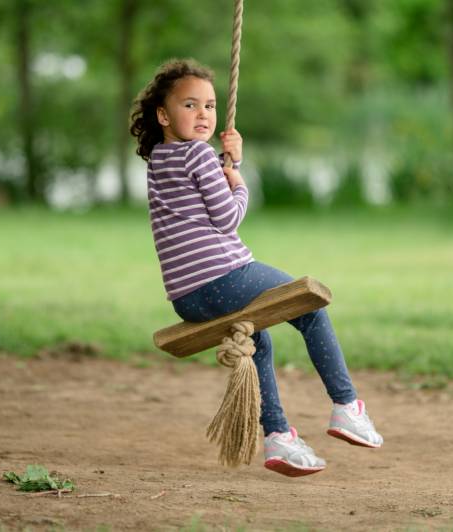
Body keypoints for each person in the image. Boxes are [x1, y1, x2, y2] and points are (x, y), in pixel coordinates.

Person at [129, 58, 383, 477]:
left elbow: (202, 203)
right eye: (189, 105)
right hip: (223, 278)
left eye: (210, 106)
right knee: (311, 306)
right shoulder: (197, 154)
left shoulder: (159, 159)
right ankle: (346, 406)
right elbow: (228, 217)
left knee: (259, 340)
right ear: (163, 114)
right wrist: (239, 178)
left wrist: (224, 165)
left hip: (187, 298)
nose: (203, 114)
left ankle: (278, 437)